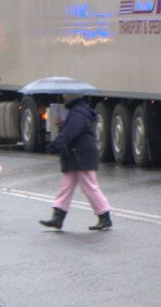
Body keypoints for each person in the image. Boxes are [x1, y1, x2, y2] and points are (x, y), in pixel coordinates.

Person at [40, 94, 113, 231]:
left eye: (66, 95)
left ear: (73, 97)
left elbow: (69, 133)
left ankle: (105, 216)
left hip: (81, 156)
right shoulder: (77, 112)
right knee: (66, 186)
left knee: (89, 187)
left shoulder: (78, 113)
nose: (63, 97)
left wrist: (54, 146)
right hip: (76, 156)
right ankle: (58, 218)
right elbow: (70, 132)